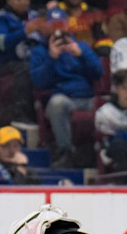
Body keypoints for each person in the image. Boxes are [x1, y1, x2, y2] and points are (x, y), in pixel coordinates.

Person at [31, 28, 103, 168]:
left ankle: (101, 152)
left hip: (87, 98)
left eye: (61, 28)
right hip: (63, 98)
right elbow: (39, 82)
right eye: (53, 29)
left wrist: (81, 55)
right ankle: (66, 152)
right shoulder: (40, 51)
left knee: (107, 106)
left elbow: (98, 73)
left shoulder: (81, 46)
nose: (58, 35)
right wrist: (52, 58)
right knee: (57, 103)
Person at [0, 0, 39, 127]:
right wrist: (23, 32)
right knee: (24, 69)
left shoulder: (35, 17)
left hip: (33, 60)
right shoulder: (1, 18)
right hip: (6, 64)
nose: (23, 2)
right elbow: (0, 43)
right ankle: (20, 114)